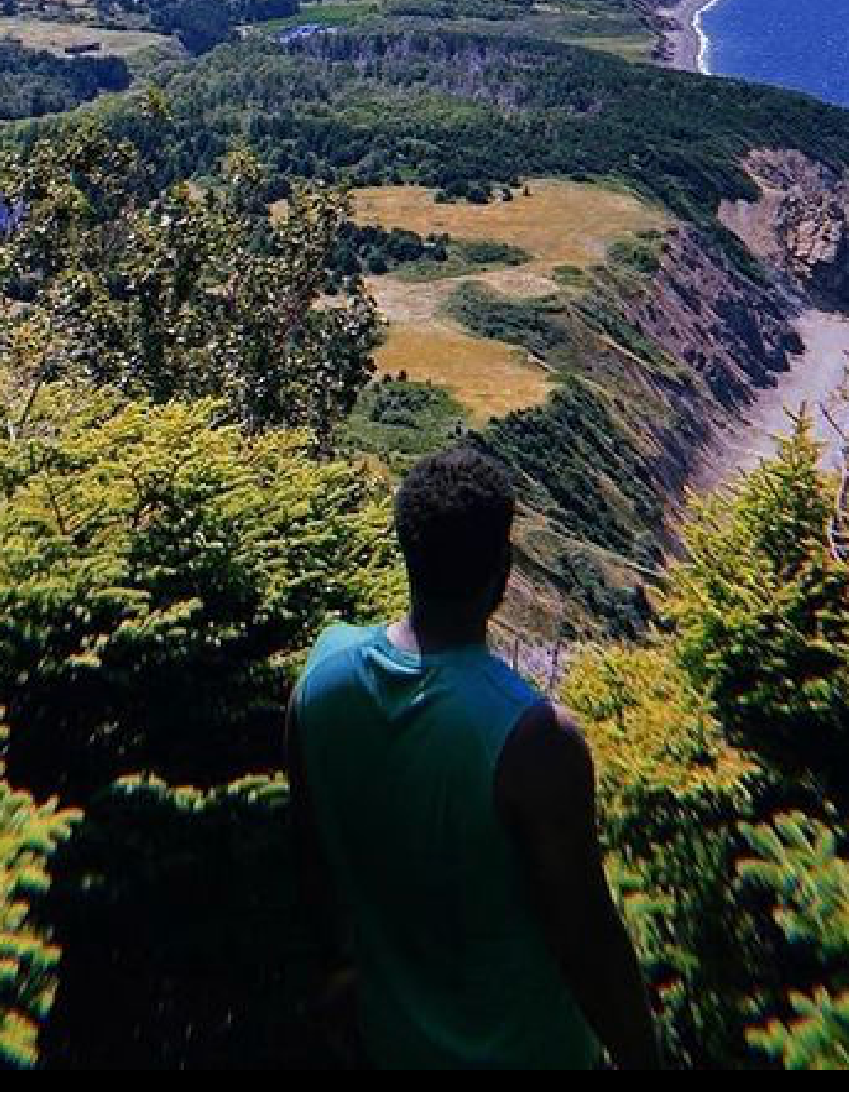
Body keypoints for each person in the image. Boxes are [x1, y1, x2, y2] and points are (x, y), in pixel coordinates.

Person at [284, 443, 662, 1074]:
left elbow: (310, 846)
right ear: (504, 572)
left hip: (390, 1052)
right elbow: (586, 937)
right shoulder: (535, 737)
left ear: (406, 549)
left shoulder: (323, 674)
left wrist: (340, 969)